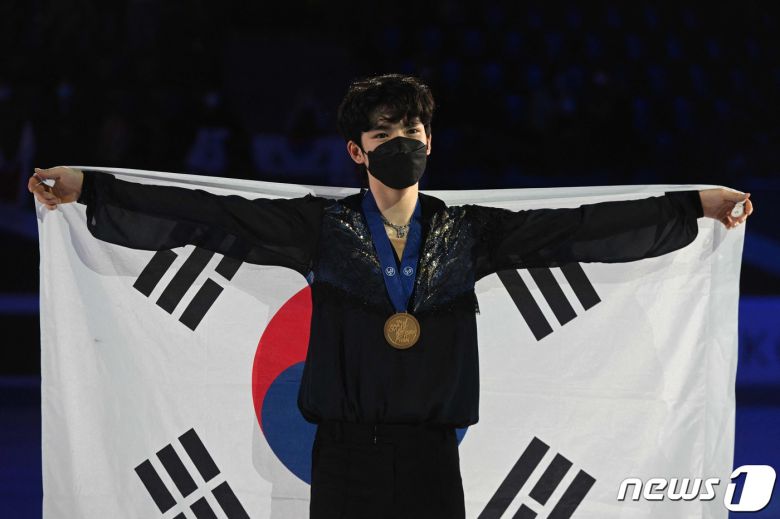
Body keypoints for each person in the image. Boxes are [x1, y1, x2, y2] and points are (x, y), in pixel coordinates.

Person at [29, 73, 753, 519]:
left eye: (412, 129)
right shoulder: (318, 229)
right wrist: (90, 188)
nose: (401, 140)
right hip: (344, 460)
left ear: (430, 141)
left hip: (434, 458)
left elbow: (581, 229)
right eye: (384, 133)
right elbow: (207, 215)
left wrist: (694, 205)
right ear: (357, 150)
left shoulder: (471, 233)